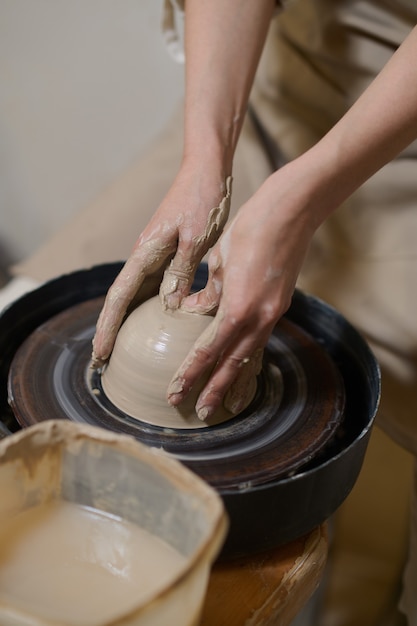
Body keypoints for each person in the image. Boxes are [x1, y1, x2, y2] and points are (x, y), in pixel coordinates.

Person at [4, 1, 417, 623]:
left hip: (401, 145)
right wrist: (205, 160)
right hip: (269, 94)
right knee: (17, 301)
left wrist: (299, 204)